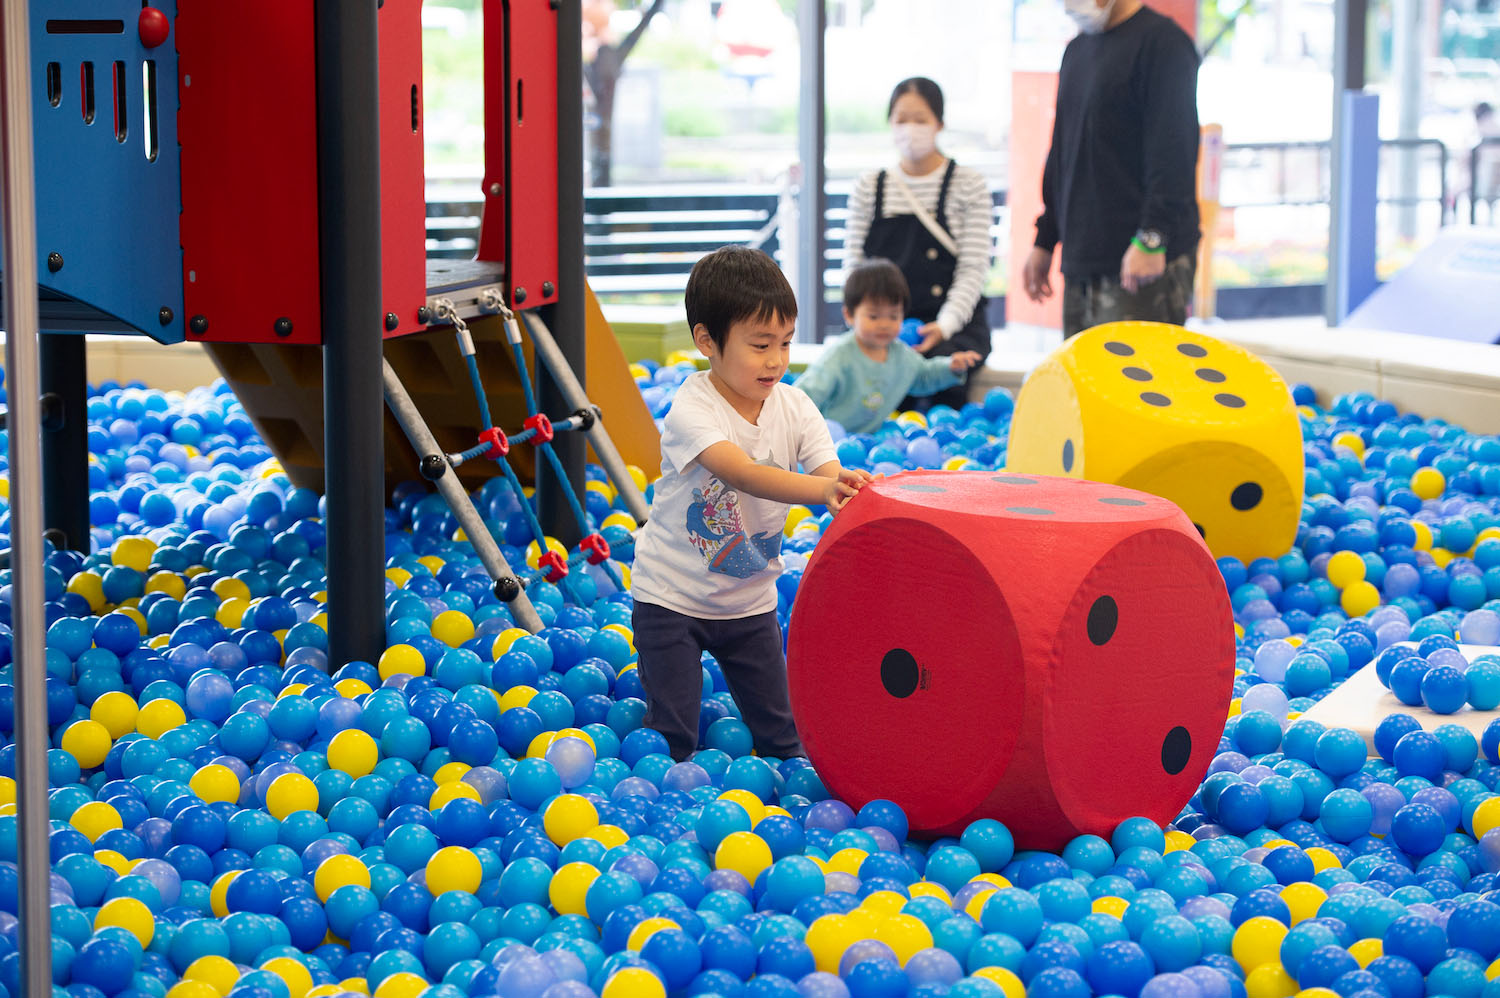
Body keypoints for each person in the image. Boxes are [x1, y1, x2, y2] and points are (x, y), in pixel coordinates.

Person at [629, 245, 874, 762]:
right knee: (675, 738)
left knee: (783, 736)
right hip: (671, 597)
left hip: (748, 602)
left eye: (785, 343)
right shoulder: (692, 409)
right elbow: (742, 472)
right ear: (706, 341)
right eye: (760, 345)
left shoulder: (795, 404)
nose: (777, 361)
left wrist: (841, 486)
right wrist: (822, 492)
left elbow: (824, 467)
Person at [1021, 0, 1202, 339]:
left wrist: (1152, 237)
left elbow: (1174, 150)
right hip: (1083, 256)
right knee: (1087, 386)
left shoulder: (1164, 44)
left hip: (1143, 260)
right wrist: (1045, 239)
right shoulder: (1076, 50)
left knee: (1139, 387)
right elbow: (1063, 151)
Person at [843, 77, 994, 411]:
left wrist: (944, 326)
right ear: (890, 123)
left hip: (952, 326)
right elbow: (853, 266)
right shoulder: (870, 187)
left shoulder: (969, 185)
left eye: (921, 120)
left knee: (944, 380)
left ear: (939, 123)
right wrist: (867, 324)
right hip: (884, 326)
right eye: (902, 119)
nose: (911, 129)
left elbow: (973, 269)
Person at [796, 259, 982, 436]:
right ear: (850, 315)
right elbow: (809, 391)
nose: (884, 324)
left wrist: (950, 366)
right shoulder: (840, 356)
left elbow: (923, 376)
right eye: (874, 317)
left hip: (870, 439)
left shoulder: (901, 355)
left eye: (893, 317)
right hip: (828, 439)